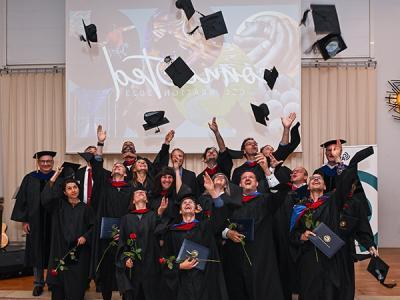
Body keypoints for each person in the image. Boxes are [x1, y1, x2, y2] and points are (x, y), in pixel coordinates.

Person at [289, 140, 358, 300]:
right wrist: (301, 236)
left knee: (330, 292)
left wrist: (339, 160)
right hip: (308, 259)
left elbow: (345, 184)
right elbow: (292, 234)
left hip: (330, 257)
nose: (316, 179)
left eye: (320, 179)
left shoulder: (332, 202)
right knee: (309, 291)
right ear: (307, 186)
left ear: (326, 187)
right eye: (313, 178)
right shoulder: (299, 207)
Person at [221, 157, 286, 300]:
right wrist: (227, 233)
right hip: (236, 256)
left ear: (257, 183)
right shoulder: (231, 204)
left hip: (261, 255)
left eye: (251, 177)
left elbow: (279, 193)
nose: (247, 179)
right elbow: (218, 225)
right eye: (244, 177)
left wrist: (266, 171)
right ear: (239, 184)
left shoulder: (266, 200)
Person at [160, 177, 229, 300]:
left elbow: (221, 217)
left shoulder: (206, 226)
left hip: (205, 280)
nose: (187, 203)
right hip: (182, 282)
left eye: (190, 202)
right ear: (180, 211)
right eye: (184, 203)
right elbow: (164, 258)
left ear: (196, 209)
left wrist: (213, 192)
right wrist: (180, 266)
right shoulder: (172, 231)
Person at [42, 171, 95, 300]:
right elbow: (45, 198)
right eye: (69, 188)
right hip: (60, 250)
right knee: (58, 288)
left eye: (75, 187)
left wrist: (85, 237)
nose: (73, 190)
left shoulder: (86, 208)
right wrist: (55, 176)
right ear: (65, 192)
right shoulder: (58, 205)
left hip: (79, 252)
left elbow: (94, 227)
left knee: (76, 289)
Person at [11, 151, 57, 296]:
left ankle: (52, 282)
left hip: (54, 221)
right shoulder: (30, 178)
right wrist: (25, 220)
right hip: (35, 221)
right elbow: (22, 201)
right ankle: (38, 283)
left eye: (49, 161)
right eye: (43, 161)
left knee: (53, 251)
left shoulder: (59, 177)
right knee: (37, 251)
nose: (46, 164)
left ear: (53, 162)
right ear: (38, 163)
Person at [91, 156, 132, 300]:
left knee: (126, 266)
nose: (117, 167)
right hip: (106, 234)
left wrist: (123, 231)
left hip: (126, 234)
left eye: (121, 166)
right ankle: (106, 296)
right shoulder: (104, 186)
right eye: (115, 166)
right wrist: (100, 144)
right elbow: (96, 168)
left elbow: (133, 212)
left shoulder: (132, 189)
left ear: (126, 173)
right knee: (107, 267)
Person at [115, 187, 168, 300]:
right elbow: (122, 242)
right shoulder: (126, 218)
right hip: (133, 268)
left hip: (151, 265)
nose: (140, 193)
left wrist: (160, 213)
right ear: (133, 201)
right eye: (137, 193)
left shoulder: (153, 215)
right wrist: (125, 259)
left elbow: (161, 234)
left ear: (147, 200)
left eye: (143, 193)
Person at [230, 112, 298, 185]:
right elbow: (235, 190)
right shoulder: (238, 171)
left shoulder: (268, 161)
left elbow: (282, 149)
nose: (253, 145)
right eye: (249, 144)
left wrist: (286, 128)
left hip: (268, 195)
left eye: (255, 144)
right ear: (244, 151)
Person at [273, 166, 309, 300]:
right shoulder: (284, 192)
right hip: (283, 237)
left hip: (304, 240)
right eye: (292, 172)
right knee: (285, 272)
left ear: (305, 177)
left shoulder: (310, 192)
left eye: (298, 171)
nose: (294, 173)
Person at [96, 125, 174, 180]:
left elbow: (160, 167)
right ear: (121, 152)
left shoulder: (144, 164)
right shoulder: (120, 169)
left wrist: (166, 143)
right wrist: (100, 142)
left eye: (131, 145)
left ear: (135, 151)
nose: (128, 146)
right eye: (125, 145)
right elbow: (98, 169)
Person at [196, 117, 233, 195]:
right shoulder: (200, 177)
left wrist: (216, 132)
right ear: (204, 159)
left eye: (214, 151)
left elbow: (223, 149)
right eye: (208, 152)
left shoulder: (224, 168)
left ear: (218, 157)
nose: (211, 152)